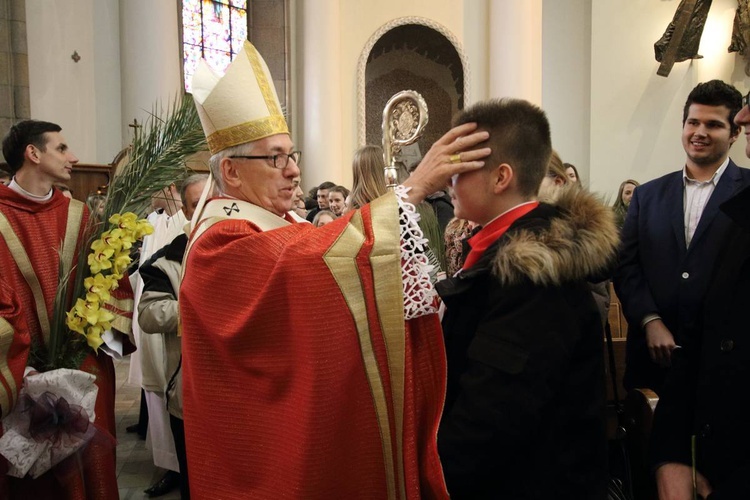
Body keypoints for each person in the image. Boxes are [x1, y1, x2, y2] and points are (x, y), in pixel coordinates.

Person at [180, 40, 490, 498]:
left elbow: (308, 252)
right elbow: (304, 264)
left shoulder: (277, 220)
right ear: (230, 172)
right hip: (255, 450)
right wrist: (412, 189)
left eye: (292, 154)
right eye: (275, 158)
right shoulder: (218, 242)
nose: (292, 171)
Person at [435, 98, 617, 499]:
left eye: (459, 168)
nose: (447, 181)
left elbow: (494, 414)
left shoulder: (533, 272)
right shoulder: (507, 246)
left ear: (500, 177)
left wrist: (434, 477)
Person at [0, 120, 132, 498]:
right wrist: (24, 366)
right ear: (33, 153)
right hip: (18, 368)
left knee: (90, 469)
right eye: (61, 148)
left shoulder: (80, 215)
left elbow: (110, 281)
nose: (73, 157)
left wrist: (86, 344)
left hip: (82, 363)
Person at [614, 80, 750, 394]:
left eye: (713, 125)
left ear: (734, 133)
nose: (699, 132)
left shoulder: (747, 192)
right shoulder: (649, 195)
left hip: (725, 363)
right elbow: (628, 266)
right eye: (693, 122)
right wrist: (649, 319)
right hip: (656, 357)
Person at [649, 91, 750, 500]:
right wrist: (671, 457)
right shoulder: (743, 217)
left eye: (716, 124)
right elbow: (705, 335)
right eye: (694, 122)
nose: (744, 116)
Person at [138, 173, 208, 500]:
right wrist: (200, 311)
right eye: (198, 204)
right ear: (186, 210)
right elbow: (150, 314)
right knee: (195, 482)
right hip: (189, 393)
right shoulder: (166, 261)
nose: (208, 209)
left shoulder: (250, 246)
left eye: (213, 200)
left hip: (241, 391)